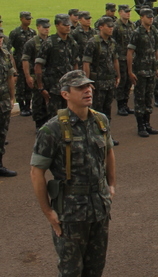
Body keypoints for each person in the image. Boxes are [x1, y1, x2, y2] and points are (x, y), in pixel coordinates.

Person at [30, 70, 116, 277]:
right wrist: (48, 212)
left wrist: (111, 185)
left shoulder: (100, 121)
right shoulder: (52, 130)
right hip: (71, 213)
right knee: (71, 271)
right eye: (80, 88)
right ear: (65, 94)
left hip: (99, 207)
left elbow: (109, 152)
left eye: (89, 86)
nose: (88, 91)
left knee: (95, 268)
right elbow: (36, 172)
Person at [82, 17, 121, 146]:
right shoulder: (93, 42)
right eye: (108, 26)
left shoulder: (112, 42)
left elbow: (114, 59)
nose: (111, 28)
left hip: (109, 81)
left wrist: (117, 75)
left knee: (107, 111)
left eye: (112, 26)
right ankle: (95, 137)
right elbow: (86, 63)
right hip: (98, 83)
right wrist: (87, 81)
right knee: (96, 112)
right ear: (100, 27)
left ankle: (107, 135)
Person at [35, 14, 80, 119]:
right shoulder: (49, 43)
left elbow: (75, 63)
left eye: (68, 25)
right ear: (57, 26)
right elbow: (38, 65)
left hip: (69, 87)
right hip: (54, 89)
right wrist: (41, 87)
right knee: (55, 118)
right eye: (64, 25)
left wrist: (77, 81)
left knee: (71, 116)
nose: (68, 27)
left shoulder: (72, 42)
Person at [127, 8, 158, 138]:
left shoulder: (154, 31)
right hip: (140, 70)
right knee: (140, 98)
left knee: (148, 97)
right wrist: (130, 71)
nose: (151, 19)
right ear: (141, 18)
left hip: (151, 69)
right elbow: (130, 53)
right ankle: (140, 126)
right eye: (148, 17)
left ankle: (147, 124)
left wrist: (157, 67)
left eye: (152, 16)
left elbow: (155, 50)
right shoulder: (137, 33)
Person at [8, 11, 35, 117]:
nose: (28, 21)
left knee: (29, 85)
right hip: (19, 63)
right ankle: (22, 107)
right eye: (26, 19)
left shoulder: (32, 32)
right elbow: (10, 48)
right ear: (21, 19)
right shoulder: (15, 33)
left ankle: (28, 106)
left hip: (30, 63)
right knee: (20, 86)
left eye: (29, 19)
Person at [112, 5, 135, 117]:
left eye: (129, 11)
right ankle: (120, 105)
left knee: (128, 81)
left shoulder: (132, 25)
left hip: (130, 58)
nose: (128, 13)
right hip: (120, 58)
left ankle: (125, 104)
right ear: (120, 12)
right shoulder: (116, 26)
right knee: (121, 81)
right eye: (125, 12)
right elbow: (112, 43)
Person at [0, 30, 17, 176]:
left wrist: (12, 97)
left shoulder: (4, 55)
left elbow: (10, 77)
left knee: (2, 133)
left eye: (0, 37)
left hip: (3, 101)